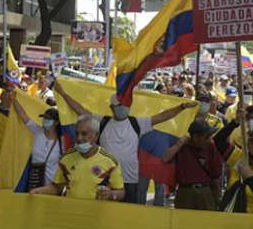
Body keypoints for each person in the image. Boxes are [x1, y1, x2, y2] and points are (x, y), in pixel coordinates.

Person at [54, 80, 196, 204]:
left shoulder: (137, 123)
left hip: (130, 179)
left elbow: (162, 117)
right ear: (112, 107)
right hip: (104, 178)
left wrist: (181, 107)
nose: (123, 107)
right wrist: (63, 93)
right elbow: (80, 110)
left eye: (125, 104)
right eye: (119, 104)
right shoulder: (101, 121)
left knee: (128, 214)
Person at [30, 115, 125, 201]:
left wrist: (111, 195)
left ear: (96, 135)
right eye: (77, 134)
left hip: (96, 214)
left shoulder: (111, 162)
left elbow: (121, 192)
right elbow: (57, 187)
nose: (79, 138)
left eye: (84, 134)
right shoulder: (66, 159)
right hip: (71, 213)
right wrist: (40, 191)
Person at [162, 119, 223, 210]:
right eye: (206, 137)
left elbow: (216, 175)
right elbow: (165, 159)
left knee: (206, 222)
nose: (209, 139)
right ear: (195, 137)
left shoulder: (210, 146)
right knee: (184, 222)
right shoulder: (182, 146)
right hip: (185, 192)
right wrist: (179, 144)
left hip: (205, 192)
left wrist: (218, 197)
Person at [13, 100, 63, 190]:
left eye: (48, 119)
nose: (44, 121)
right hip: (34, 181)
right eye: (44, 118)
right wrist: (14, 99)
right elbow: (23, 116)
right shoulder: (37, 131)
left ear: (56, 122)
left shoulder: (61, 141)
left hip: (51, 186)